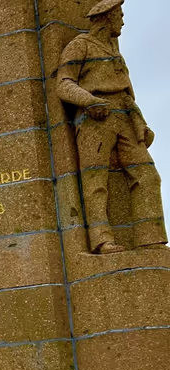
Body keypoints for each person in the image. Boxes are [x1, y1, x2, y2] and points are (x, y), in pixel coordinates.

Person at [57, 0, 166, 253]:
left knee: (147, 175)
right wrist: (89, 101)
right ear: (106, 18)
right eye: (120, 15)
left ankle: (150, 239)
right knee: (95, 180)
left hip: (125, 116)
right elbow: (63, 83)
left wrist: (140, 122)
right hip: (95, 117)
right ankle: (101, 240)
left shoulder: (114, 50)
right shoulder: (80, 45)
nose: (123, 21)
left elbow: (127, 93)